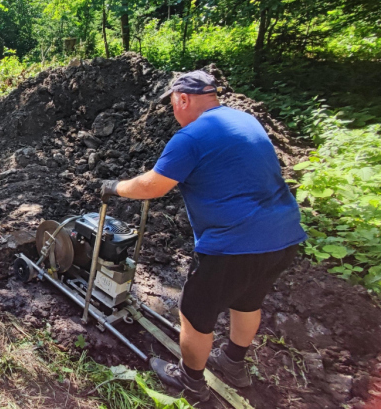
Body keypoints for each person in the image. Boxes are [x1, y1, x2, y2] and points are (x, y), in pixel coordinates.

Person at [100, 70, 307, 401]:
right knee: (247, 302)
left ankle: (190, 380)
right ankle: (232, 364)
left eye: (172, 104)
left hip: (233, 245)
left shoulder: (191, 138)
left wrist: (114, 187)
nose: (173, 112)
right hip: (283, 236)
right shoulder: (246, 121)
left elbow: (153, 185)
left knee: (194, 314)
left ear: (183, 99)